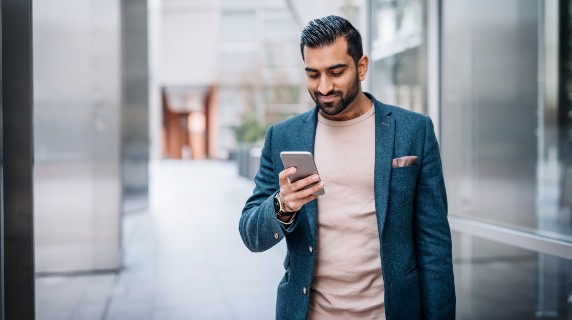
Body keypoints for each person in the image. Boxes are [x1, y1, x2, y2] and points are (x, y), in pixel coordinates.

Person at [238, 15, 455, 320]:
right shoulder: (283, 136)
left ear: (362, 66)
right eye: (313, 74)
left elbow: (434, 245)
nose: (323, 86)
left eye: (335, 72)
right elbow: (251, 234)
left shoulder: (414, 131)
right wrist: (282, 204)